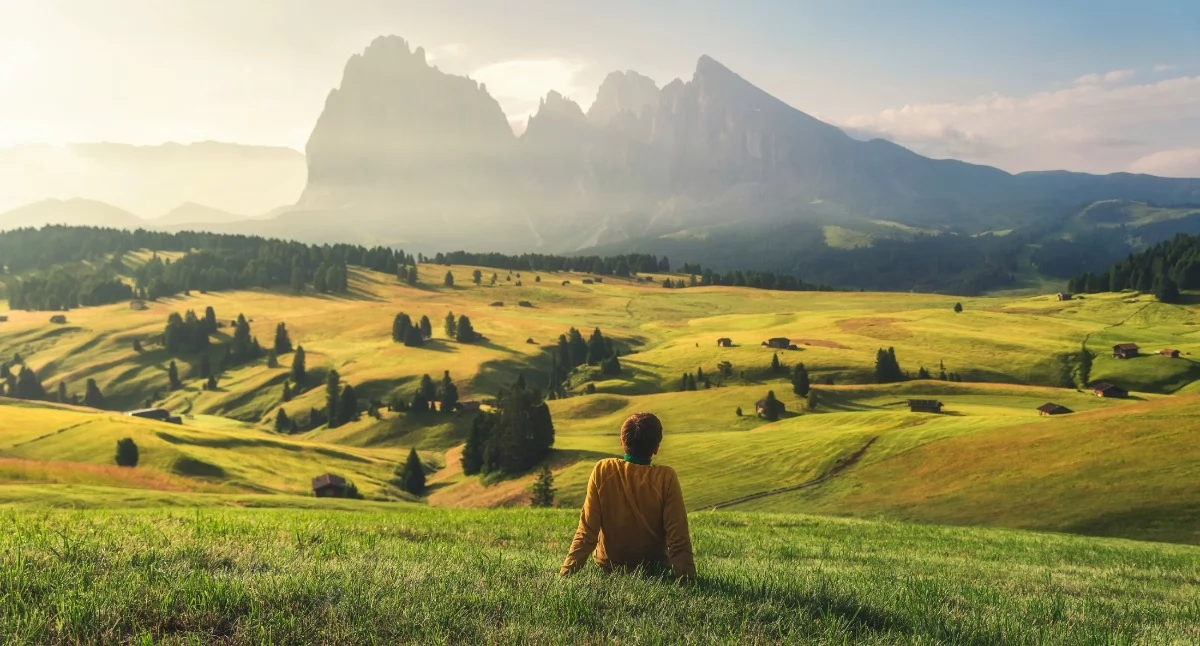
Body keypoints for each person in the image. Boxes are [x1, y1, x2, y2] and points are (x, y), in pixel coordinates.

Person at [559, 412, 695, 580]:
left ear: (622, 442)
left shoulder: (603, 469)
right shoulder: (666, 477)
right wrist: (689, 580)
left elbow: (587, 532)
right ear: (656, 448)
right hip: (654, 570)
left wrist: (565, 575)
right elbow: (678, 537)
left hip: (609, 567)